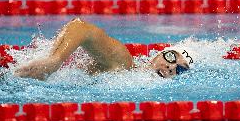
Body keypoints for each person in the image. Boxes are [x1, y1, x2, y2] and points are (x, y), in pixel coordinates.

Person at [14, 18, 193, 80]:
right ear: (158, 54)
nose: (171, 67)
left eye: (180, 69)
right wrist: (55, 60)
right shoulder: (124, 62)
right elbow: (81, 27)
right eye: (171, 57)